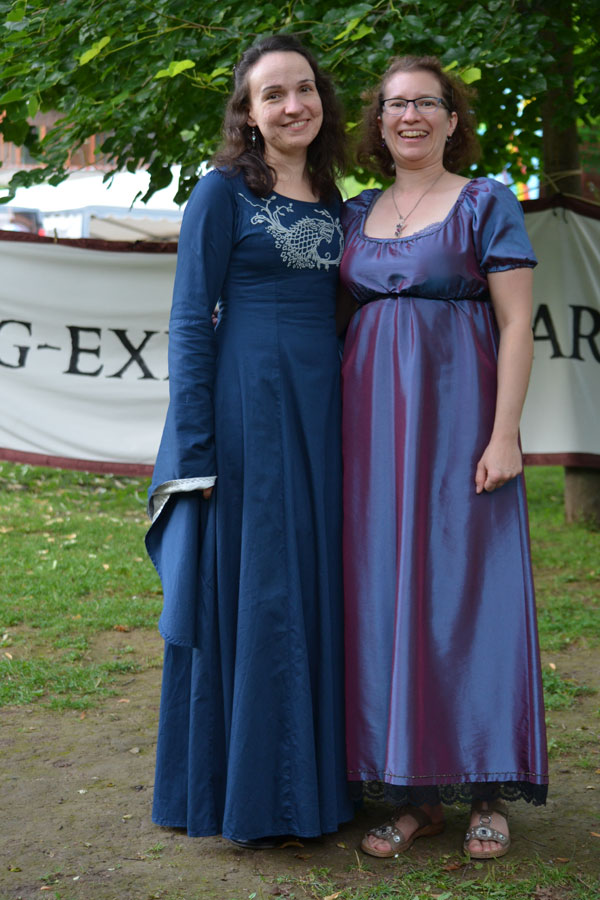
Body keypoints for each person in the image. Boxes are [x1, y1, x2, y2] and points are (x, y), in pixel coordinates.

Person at [145, 34, 353, 848]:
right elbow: (189, 320)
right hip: (247, 414)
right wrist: (196, 447)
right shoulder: (221, 193)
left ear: (322, 100)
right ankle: (250, 794)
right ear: (249, 112)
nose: (294, 105)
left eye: (305, 89)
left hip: (322, 414)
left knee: (312, 581)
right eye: (274, 94)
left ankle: (313, 786)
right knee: (257, 585)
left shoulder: (338, 198)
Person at [338, 55, 548, 860]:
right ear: (379, 122)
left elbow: (518, 324)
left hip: (461, 420)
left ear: (453, 119)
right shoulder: (354, 213)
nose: (411, 116)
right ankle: (413, 795)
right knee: (385, 595)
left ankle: (486, 789)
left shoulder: (485, 201)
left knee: (469, 592)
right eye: (396, 104)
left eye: (427, 103)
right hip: (369, 434)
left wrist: (504, 433)